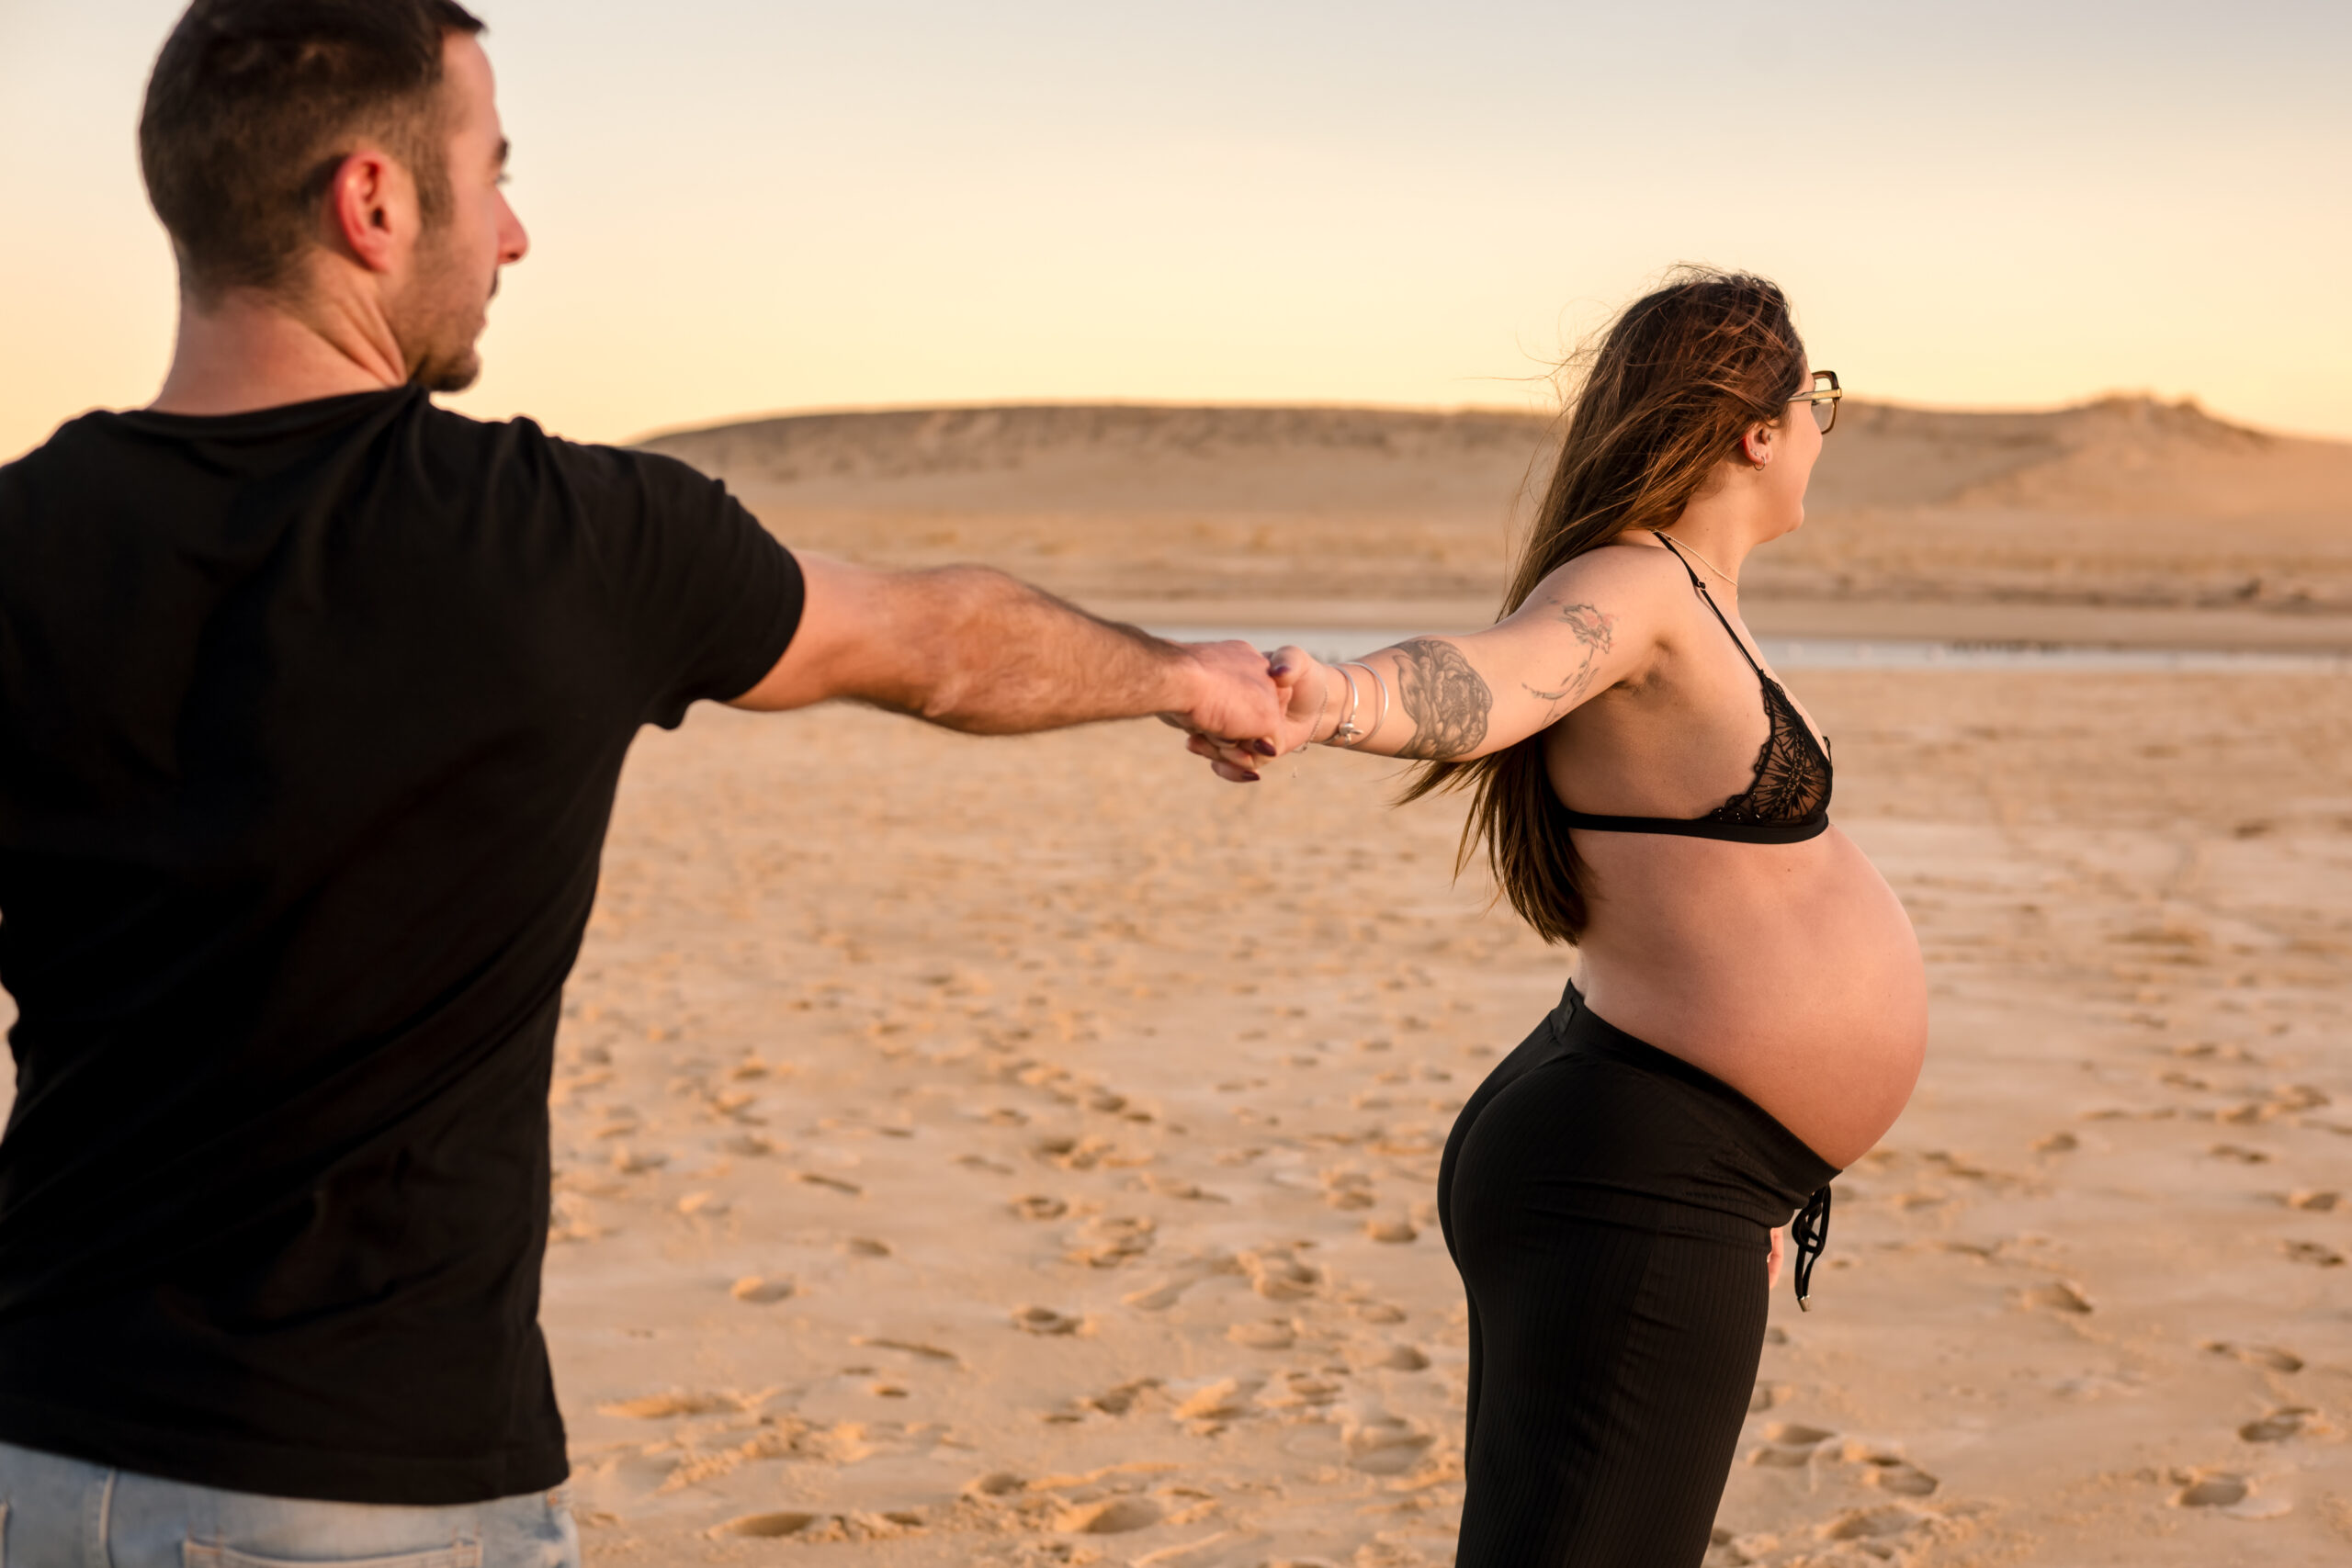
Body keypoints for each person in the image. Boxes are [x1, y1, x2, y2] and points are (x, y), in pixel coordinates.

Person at [0, 2, 1286, 1561]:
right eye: (493, 174)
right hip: (359, 1492)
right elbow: (939, 643)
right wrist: (1181, 675)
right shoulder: (566, 543)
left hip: (34, 1447)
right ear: (374, 202)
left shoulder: (24, 540)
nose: (518, 234)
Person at [1193, 271, 1928, 1568]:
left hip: (1675, 1164)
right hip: (1635, 1174)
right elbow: (1499, 676)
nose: (1823, 427)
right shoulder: (1635, 587)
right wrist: (1335, 700)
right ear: (1759, 426)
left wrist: (1766, 1177)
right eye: (1818, 400)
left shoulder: (1697, 595)